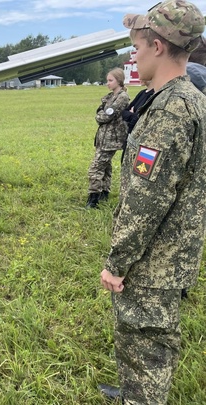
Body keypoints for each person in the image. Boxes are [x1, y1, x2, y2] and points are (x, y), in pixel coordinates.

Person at [99, 1, 206, 404]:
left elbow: (147, 201)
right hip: (171, 252)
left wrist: (117, 262)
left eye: (137, 48)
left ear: (158, 47)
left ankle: (140, 397)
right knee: (143, 341)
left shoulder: (169, 110)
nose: (133, 56)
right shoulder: (190, 98)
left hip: (153, 260)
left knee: (147, 345)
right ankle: (133, 392)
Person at [85, 68, 130, 208]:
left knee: (96, 167)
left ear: (119, 81)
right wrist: (100, 114)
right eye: (107, 80)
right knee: (105, 166)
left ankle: (93, 198)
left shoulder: (122, 97)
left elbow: (105, 116)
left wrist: (100, 115)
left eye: (110, 80)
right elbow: (100, 112)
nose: (107, 83)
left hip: (111, 139)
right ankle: (104, 192)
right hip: (103, 138)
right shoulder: (110, 96)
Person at [120, 79, 154, 162]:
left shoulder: (154, 95)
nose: (139, 78)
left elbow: (142, 118)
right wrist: (133, 115)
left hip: (141, 143)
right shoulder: (142, 93)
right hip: (130, 138)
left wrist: (132, 115)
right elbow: (124, 112)